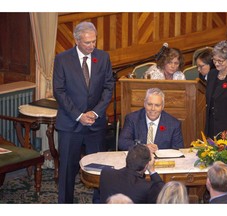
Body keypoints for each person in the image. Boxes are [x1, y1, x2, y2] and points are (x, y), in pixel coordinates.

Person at [53, 21, 114, 203]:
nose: (92, 46)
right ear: (77, 40)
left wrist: (95, 113)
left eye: (94, 41)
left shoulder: (102, 57)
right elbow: (59, 91)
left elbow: (108, 86)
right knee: (67, 171)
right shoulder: (62, 59)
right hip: (70, 124)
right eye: (87, 42)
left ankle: (98, 204)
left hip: (96, 124)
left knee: (98, 170)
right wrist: (79, 116)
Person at [118, 88, 184, 152]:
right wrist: (143, 147)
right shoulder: (132, 119)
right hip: (138, 161)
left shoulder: (174, 124)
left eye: (157, 105)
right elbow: (122, 143)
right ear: (144, 104)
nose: (153, 109)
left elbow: (178, 149)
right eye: (149, 104)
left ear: (162, 106)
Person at [99, 144, 165, 203]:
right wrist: (152, 170)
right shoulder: (147, 188)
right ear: (146, 166)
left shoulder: (106, 173)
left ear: (127, 158)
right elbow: (163, 195)